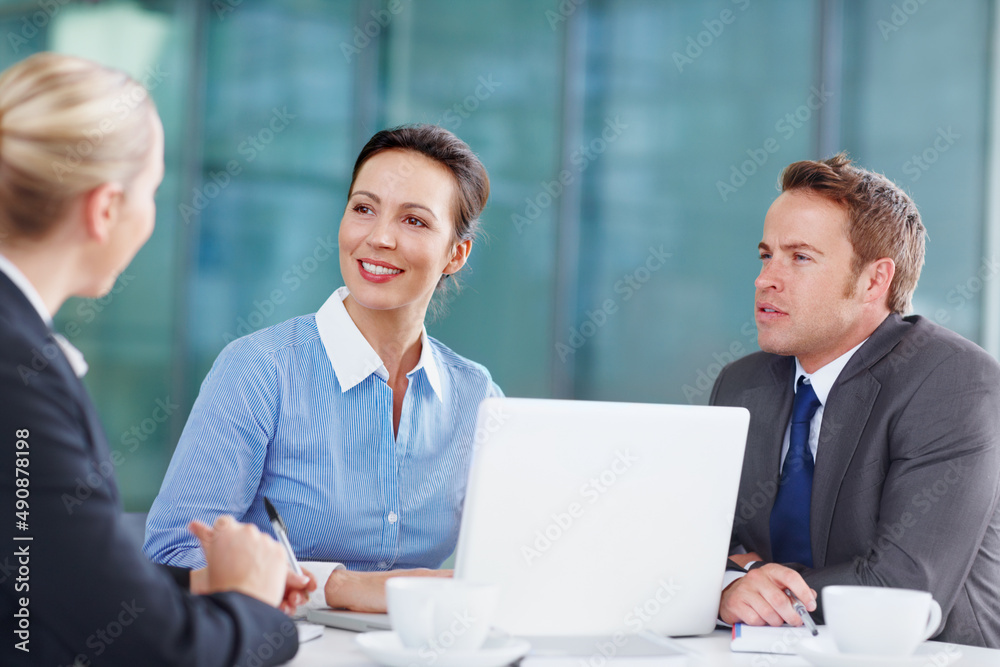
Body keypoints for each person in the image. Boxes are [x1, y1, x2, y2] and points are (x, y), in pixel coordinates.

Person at [0, 53, 315, 666]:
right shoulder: (16, 370)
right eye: (152, 191)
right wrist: (249, 605)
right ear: (106, 208)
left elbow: (38, 568)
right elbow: (156, 653)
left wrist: (194, 585)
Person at [143, 124, 499, 612]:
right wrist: (340, 585)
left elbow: (510, 555)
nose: (378, 238)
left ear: (455, 254)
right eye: (363, 208)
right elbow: (172, 558)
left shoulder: (477, 396)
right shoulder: (259, 369)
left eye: (414, 221)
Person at [712, 153, 1000, 647]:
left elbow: (901, 588)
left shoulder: (954, 382)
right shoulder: (742, 385)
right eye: (766, 255)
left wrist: (748, 582)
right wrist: (729, 583)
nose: (765, 279)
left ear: (873, 281)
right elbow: (700, 547)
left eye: (799, 257)